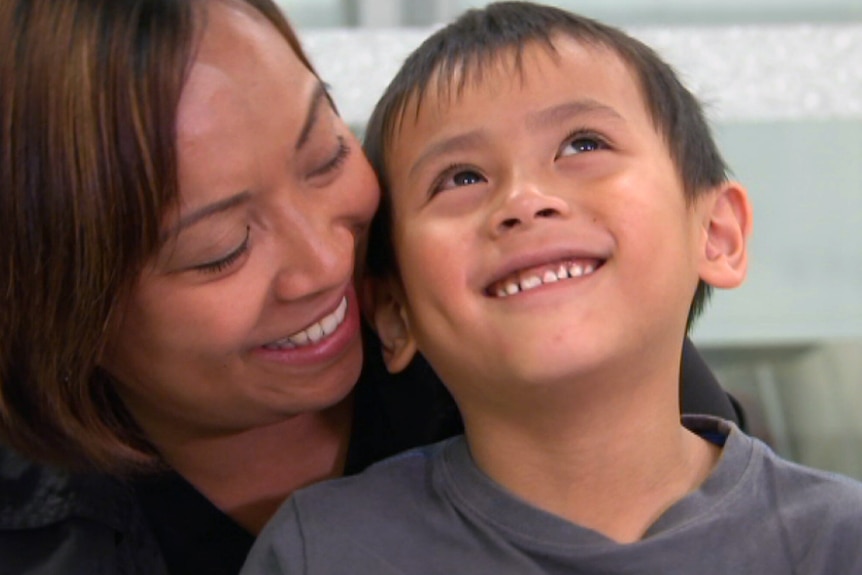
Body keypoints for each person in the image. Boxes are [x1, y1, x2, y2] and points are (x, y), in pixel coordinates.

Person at [0, 0, 741, 573]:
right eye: (219, 249)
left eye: (324, 155)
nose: (329, 262)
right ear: (59, 309)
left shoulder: (522, 334)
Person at [240, 3, 862, 574]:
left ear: (716, 235)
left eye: (583, 144)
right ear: (395, 315)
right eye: (460, 177)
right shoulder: (322, 553)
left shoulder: (838, 540)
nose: (524, 200)